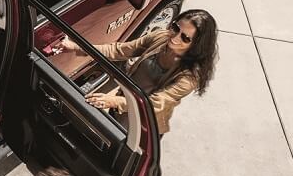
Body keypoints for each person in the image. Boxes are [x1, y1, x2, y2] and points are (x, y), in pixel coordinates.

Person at [61, 8, 218, 135]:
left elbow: (155, 104)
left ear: (197, 45)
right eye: (176, 28)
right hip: (123, 103)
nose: (175, 38)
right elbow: (118, 50)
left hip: (144, 122)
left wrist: (113, 101)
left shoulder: (190, 76)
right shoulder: (161, 38)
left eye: (185, 38)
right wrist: (76, 46)